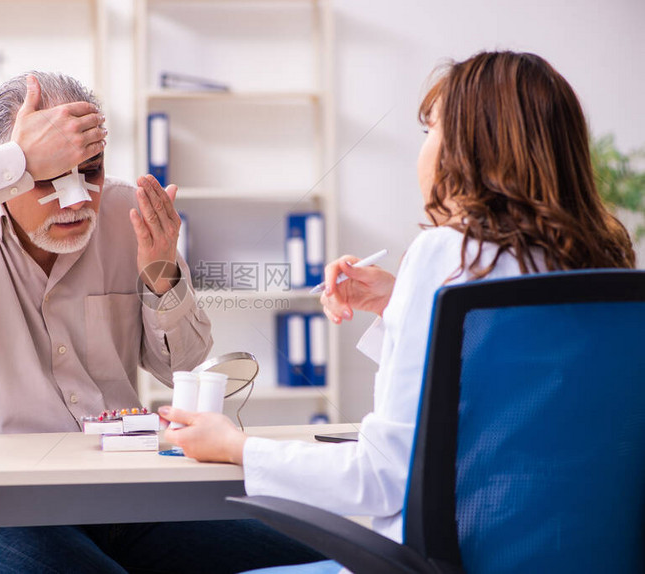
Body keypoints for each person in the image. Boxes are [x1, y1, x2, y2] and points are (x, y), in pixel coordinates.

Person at [159, 51, 636, 574]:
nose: (424, 151)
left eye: (429, 130)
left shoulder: (447, 253)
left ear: (467, 148)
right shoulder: (606, 262)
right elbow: (517, 400)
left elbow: (383, 475)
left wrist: (238, 447)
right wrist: (398, 303)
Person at [0, 71, 324, 573]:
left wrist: (162, 274)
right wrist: (13, 163)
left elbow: (182, 362)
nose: (75, 199)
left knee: (324, 558)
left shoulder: (123, 213)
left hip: (127, 491)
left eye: (88, 171)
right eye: (48, 176)